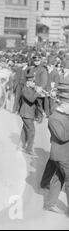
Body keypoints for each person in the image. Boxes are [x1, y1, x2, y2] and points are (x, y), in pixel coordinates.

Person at [42, 81, 69, 216]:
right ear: (64, 104)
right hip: (62, 155)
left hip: (64, 155)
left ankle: (49, 204)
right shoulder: (54, 118)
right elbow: (63, 136)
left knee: (58, 178)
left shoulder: (65, 115)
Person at [18, 71, 42, 156]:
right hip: (26, 113)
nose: (34, 84)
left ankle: (22, 145)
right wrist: (38, 92)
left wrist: (38, 92)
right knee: (32, 131)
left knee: (25, 129)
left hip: (28, 113)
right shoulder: (25, 89)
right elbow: (31, 99)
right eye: (33, 82)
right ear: (28, 82)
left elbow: (35, 98)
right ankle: (29, 149)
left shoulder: (30, 89)